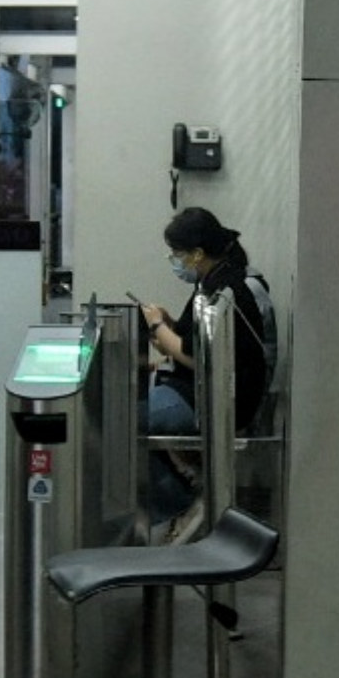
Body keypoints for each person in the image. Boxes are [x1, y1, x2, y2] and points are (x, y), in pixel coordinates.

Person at [138, 207, 274, 542]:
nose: (175, 261)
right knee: (125, 407)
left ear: (198, 253)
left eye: (178, 254)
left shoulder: (231, 289)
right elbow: (189, 339)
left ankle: (178, 500)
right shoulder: (214, 279)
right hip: (198, 388)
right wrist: (169, 326)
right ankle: (183, 484)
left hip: (217, 399)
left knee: (126, 420)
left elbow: (196, 356)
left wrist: (156, 325)